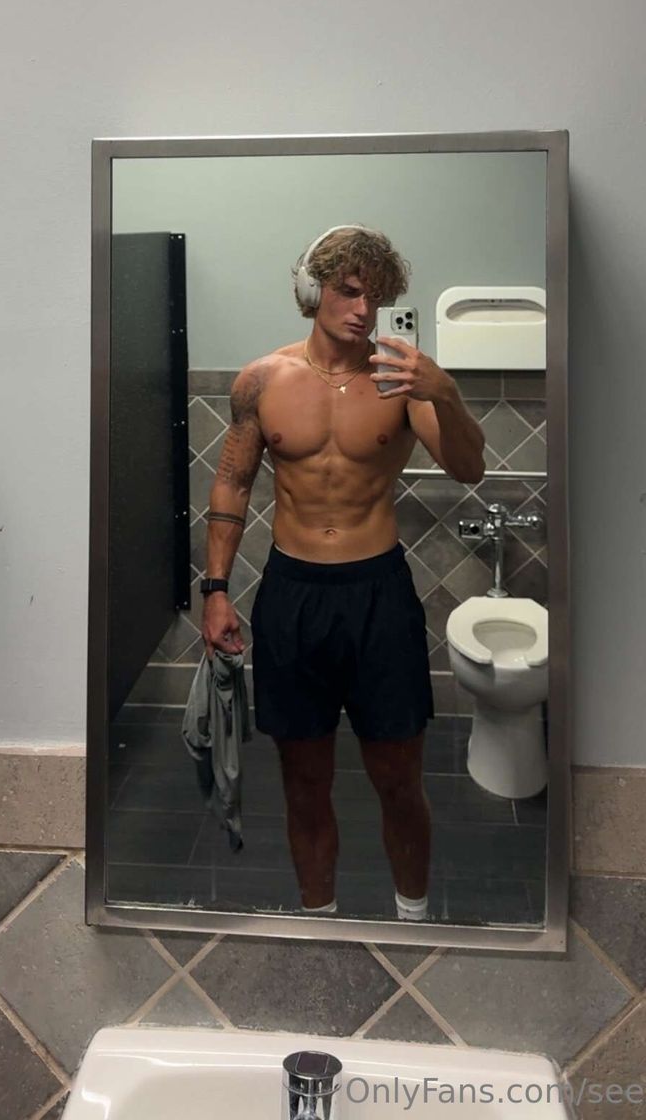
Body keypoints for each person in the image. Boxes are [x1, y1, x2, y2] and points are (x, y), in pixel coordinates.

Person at [199, 225, 485, 919]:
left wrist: (446, 393)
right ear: (312, 289)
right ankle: (318, 920)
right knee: (303, 783)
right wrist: (216, 590)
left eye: (374, 297)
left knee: (398, 781)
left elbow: (469, 468)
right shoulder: (262, 381)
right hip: (292, 595)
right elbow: (233, 483)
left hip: (378, 595)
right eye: (349, 291)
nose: (363, 310)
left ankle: (413, 918)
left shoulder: (401, 383)